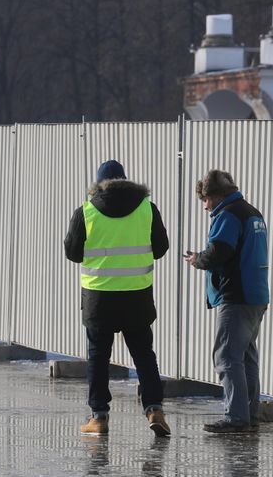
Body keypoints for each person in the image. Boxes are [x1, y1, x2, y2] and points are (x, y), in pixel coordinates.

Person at [64, 159, 171, 437]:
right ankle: (154, 409)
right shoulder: (147, 208)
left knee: (98, 357)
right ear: (126, 180)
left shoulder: (86, 212)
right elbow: (161, 248)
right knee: (144, 354)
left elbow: (73, 253)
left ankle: (99, 418)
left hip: (99, 297)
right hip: (136, 295)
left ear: (98, 183)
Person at [183, 170, 269, 434]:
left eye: (205, 199)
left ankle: (236, 418)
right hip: (256, 294)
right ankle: (249, 416)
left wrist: (198, 259)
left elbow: (221, 250)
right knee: (246, 357)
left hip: (236, 295)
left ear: (215, 195)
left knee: (227, 356)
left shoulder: (228, 214)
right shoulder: (252, 212)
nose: (205, 205)